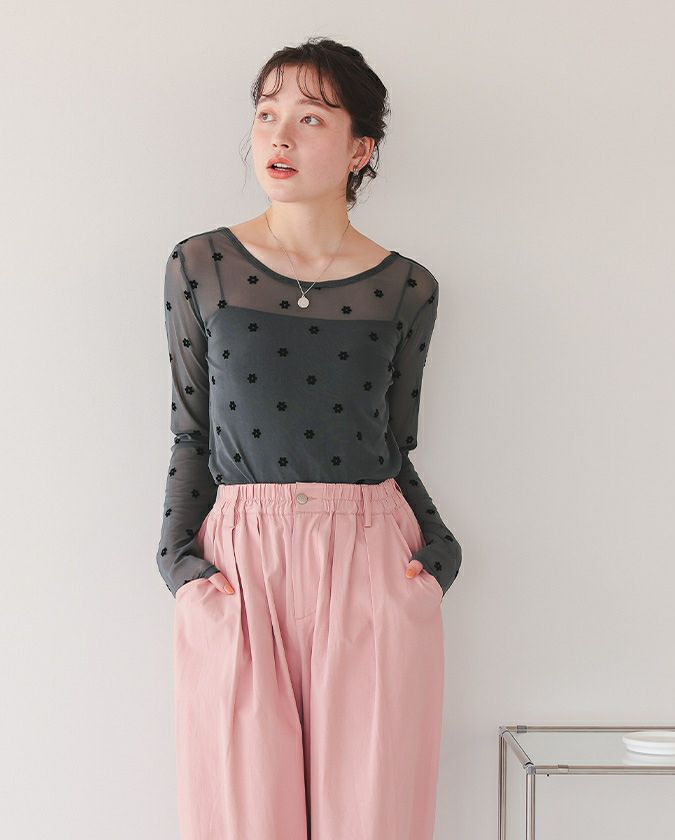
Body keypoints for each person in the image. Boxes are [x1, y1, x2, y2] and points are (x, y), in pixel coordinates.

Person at [156, 37, 461, 840]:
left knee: (373, 818)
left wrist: (438, 555)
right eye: (266, 115)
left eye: (311, 118)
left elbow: (395, 446)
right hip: (239, 564)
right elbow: (191, 430)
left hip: (371, 558)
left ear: (361, 149)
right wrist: (179, 566)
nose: (279, 137)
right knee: (242, 817)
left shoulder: (408, 287)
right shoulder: (200, 264)